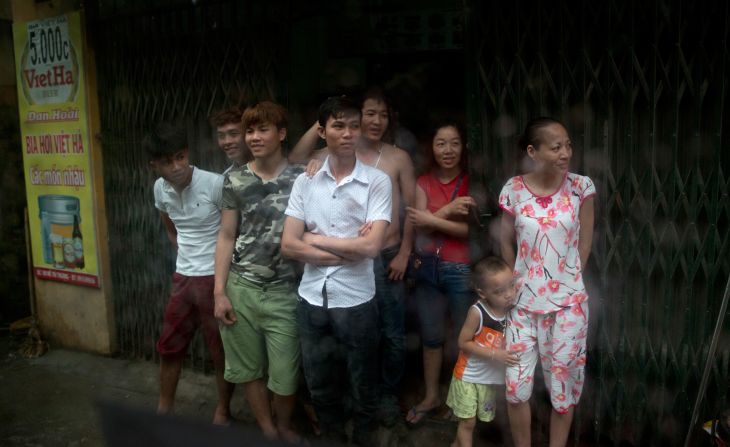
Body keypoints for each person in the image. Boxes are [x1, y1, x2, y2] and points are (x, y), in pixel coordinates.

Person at [289, 89, 416, 424]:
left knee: (388, 333)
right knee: (339, 345)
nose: (373, 122)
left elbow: (410, 211)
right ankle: (341, 406)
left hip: (387, 255)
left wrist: (404, 251)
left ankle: (383, 397)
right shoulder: (324, 162)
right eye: (368, 114)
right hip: (330, 275)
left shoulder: (394, 160)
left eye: (381, 115)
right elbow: (295, 161)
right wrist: (326, 118)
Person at [499, 117, 596, 447]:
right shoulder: (513, 189)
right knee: (515, 388)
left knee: (563, 390)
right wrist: (513, 279)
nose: (565, 152)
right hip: (522, 305)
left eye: (568, 145)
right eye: (556, 147)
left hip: (568, 307)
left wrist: (570, 276)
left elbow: (585, 240)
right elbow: (504, 238)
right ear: (533, 151)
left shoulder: (581, 187)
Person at [213, 101, 305, 444]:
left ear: (281, 134)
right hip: (242, 287)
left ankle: (283, 425)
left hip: (286, 290)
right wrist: (219, 292)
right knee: (247, 368)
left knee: (285, 374)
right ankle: (268, 431)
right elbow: (225, 236)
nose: (253, 137)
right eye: (249, 130)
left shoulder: (301, 177)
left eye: (262, 129)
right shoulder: (234, 180)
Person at [145, 122, 232, 425]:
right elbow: (171, 229)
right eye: (168, 161)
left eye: (181, 157)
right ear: (154, 164)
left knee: (220, 351)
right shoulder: (160, 189)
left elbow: (230, 233)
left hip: (214, 279)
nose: (177, 166)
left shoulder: (214, 184)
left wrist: (221, 281)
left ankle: (222, 408)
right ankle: (164, 408)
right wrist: (186, 259)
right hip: (182, 279)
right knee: (170, 346)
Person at [405, 122, 476, 425]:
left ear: (463, 147)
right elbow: (418, 226)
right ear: (431, 148)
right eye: (441, 143)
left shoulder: (472, 181)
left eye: (455, 143)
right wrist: (448, 212)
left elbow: (466, 230)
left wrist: (431, 218)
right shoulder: (422, 181)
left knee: (464, 339)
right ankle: (432, 396)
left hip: (460, 268)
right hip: (428, 269)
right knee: (431, 337)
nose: (448, 150)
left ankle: (461, 401)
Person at [446, 256, 519, 447]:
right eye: (499, 291)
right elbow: (463, 342)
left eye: (511, 286)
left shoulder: (512, 310)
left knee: (471, 420)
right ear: (482, 293)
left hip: (488, 380)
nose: (508, 294)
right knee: (468, 422)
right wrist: (495, 355)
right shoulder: (477, 312)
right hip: (468, 376)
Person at [209, 107, 252, 173]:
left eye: (234, 134)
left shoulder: (269, 170)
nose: (227, 142)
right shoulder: (228, 176)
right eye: (221, 136)